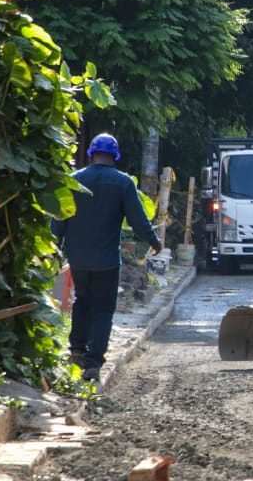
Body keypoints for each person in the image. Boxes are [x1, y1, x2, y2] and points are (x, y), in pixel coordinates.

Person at [50, 133, 162, 381]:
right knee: (102, 309)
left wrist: (53, 247)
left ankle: (77, 350)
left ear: (91, 153)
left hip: (78, 259)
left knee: (82, 300)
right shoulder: (122, 183)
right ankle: (93, 363)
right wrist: (154, 241)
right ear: (115, 156)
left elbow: (59, 218)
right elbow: (138, 219)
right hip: (107, 262)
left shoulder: (73, 180)